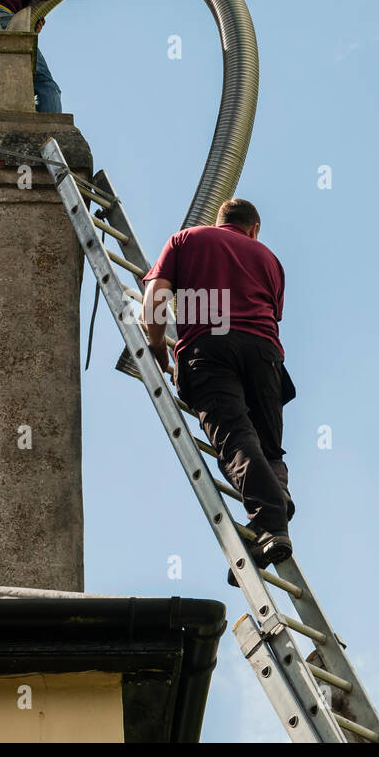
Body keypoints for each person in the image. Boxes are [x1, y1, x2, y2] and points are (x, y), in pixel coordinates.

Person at [141, 199, 297, 584]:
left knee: (234, 439)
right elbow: (268, 314)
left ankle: (273, 519)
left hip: (209, 349)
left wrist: (160, 349)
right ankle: (272, 521)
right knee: (266, 447)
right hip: (265, 354)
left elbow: (156, 299)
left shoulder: (186, 240)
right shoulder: (270, 260)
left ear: (219, 221)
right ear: (254, 228)